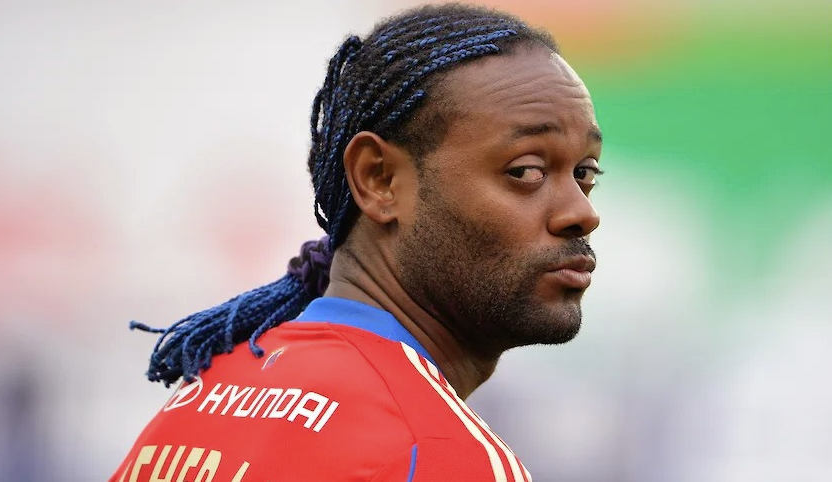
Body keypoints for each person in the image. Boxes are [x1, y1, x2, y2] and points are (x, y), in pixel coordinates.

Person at [111, 3, 602, 481]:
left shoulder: (194, 408)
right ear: (379, 179)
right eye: (526, 171)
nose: (583, 213)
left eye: (585, 172)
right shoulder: (437, 453)